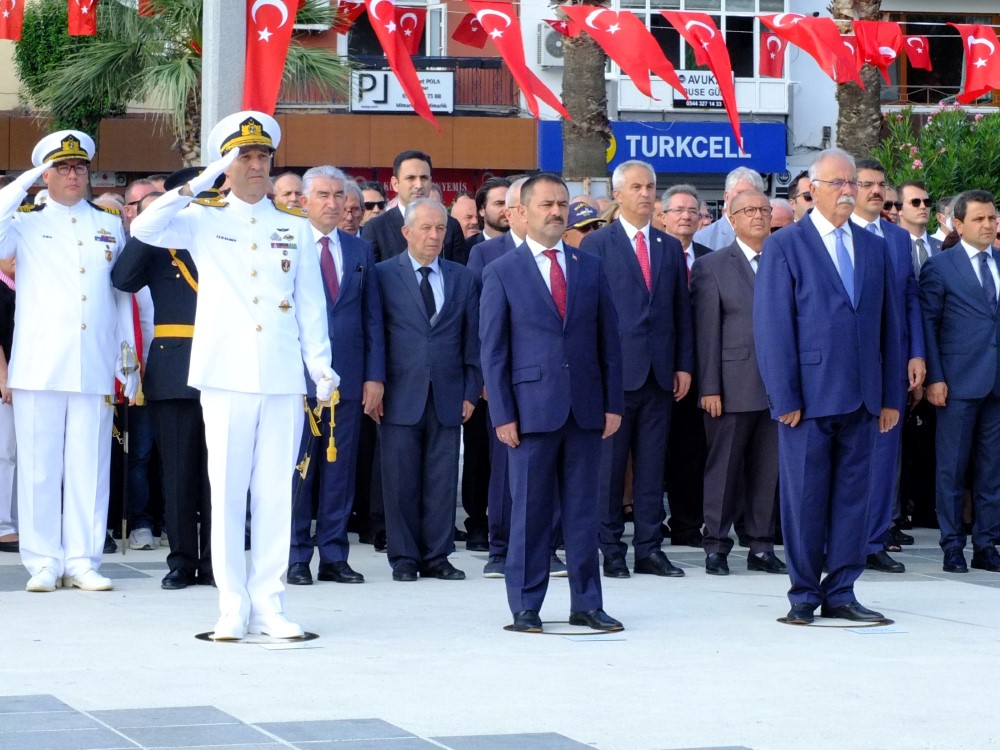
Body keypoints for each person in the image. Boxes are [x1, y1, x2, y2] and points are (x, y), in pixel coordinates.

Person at [131, 111, 335, 640]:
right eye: (244, 157)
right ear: (227, 163)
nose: (255, 165)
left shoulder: (294, 225)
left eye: (262, 156)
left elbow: (310, 304)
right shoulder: (203, 217)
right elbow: (143, 227)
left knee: (274, 494)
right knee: (225, 492)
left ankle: (270, 603)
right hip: (224, 373)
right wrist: (201, 181)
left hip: (282, 375)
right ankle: (231, 604)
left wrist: (320, 365)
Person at [753, 148, 902, 625]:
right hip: (808, 398)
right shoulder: (785, 245)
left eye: (852, 183)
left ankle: (842, 590)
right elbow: (773, 327)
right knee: (805, 499)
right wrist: (784, 396)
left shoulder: (874, 246)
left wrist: (891, 396)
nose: (848, 191)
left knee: (853, 500)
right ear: (812, 190)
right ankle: (803, 594)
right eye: (838, 183)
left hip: (863, 396)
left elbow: (890, 326)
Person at [480, 173, 625, 633]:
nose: (556, 212)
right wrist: (503, 414)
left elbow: (609, 342)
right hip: (530, 412)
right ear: (521, 212)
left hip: (585, 409)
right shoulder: (502, 271)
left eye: (562, 204)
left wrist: (612, 404)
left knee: (584, 513)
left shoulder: (589, 266)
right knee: (530, 514)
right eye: (546, 204)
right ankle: (526, 606)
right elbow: (493, 351)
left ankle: (587, 604)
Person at [0, 130, 137, 593]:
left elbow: (120, 292)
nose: (73, 174)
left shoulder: (109, 223)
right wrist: (25, 181)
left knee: (89, 466)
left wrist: (126, 356)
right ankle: (42, 561)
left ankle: (82, 559)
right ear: (46, 175)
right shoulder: (24, 221)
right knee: (38, 467)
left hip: (94, 359)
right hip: (40, 362)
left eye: (79, 167)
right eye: (61, 167)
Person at [581, 160, 691, 580]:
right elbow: (588, 314)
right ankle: (610, 548)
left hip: (660, 375)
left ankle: (649, 548)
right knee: (610, 469)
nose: (646, 194)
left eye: (651, 187)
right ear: (618, 194)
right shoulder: (597, 244)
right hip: (614, 376)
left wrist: (683, 365)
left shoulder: (668, 247)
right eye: (637, 187)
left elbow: (681, 313)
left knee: (651, 467)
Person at [112, 183, 213, 589]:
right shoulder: (158, 247)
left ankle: (216, 562)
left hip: (224, 365)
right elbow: (122, 278)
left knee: (220, 474)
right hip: (174, 370)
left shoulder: (221, 241)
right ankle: (182, 561)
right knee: (177, 472)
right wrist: (148, 227)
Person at [287, 166, 384, 586]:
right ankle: (295, 555)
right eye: (323, 195)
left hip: (347, 377)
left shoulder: (359, 250)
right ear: (304, 201)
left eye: (338, 195)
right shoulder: (287, 242)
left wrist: (374, 377)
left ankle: (333, 555)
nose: (332, 203)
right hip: (296, 378)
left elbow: (372, 317)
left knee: (339, 471)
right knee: (299, 469)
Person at [375, 198, 481, 582]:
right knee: (400, 480)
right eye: (426, 228)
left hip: (448, 393)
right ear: (406, 232)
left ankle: (438, 555)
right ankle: (404, 556)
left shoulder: (462, 277)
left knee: (441, 479)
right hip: (398, 394)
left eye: (441, 228)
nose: (435, 235)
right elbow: (375, 335)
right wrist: (375, 384)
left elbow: (473, 339)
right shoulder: (383, 275)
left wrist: (471, 390)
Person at [692, 189, 785, 576]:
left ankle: (761, 546)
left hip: (779, 387)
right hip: (731, 385)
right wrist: (709, 387)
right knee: (724, 469)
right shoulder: (712, 266)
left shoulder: (784, 260)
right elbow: (706, 331)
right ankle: (716, 544)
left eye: (764, 209)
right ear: (731, 219)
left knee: (767, 469)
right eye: (748, 210)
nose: (758, 216)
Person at [849, 160, 926, 575]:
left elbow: (910, 297)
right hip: (848, 367)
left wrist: (916, 354)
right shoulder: (839, 235)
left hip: (892, 364)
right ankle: (838, 541)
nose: (876, 191)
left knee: (884, 458)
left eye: (881, 184)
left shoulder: (897, 238)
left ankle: (875, 541)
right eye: (868, 184)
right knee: (846, 457)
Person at [920, 190, 1000, 574]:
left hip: (996, 383)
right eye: (979, 219)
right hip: (956, 383)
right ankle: (952, 545)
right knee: (952, 469)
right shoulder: (940, 266)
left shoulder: (999, 261)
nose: (988, 225)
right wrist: (934, 377)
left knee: (992, 469)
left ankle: (986, 544)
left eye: (992, 218)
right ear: (958, 224)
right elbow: (928, 325)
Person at [660, 184, 711, 547]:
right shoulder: (654, 254)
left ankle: (686, 524)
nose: (686, 216)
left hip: (701, 369)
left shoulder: (710, 258)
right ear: (663, 216)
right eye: (678, 210)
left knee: (690, 450)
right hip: (656, 367)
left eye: (693, 211)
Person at [362, 151, 467, 263]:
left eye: (424, 178)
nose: (419, 185)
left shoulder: (451, 226)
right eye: (411, 178)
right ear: (395, 184)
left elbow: (458, 271)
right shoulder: (376, 228)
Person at [694, 167, 765, 250]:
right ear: (727, 197)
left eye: (751, 195)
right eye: (740, 194)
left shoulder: (768, 238)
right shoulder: (702, 239)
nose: (746, 199)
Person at [0, 255, 16, 555]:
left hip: (23, 379)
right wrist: (4, 377)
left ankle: (13, 521)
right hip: (6, 380)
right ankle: (3, 526)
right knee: (4, 454)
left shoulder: (20, 287)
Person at [897, 181, 941, 272]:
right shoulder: (888, 247)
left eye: (927, 202)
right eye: (915, 202)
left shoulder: (944, 247)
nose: (923, 206)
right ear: (899, 208)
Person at [466, 177, 511, 252]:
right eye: (499, 203)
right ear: (482, 209)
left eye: (509, 203)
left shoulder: (526, 244)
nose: (506, 209)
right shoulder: (466, 249)